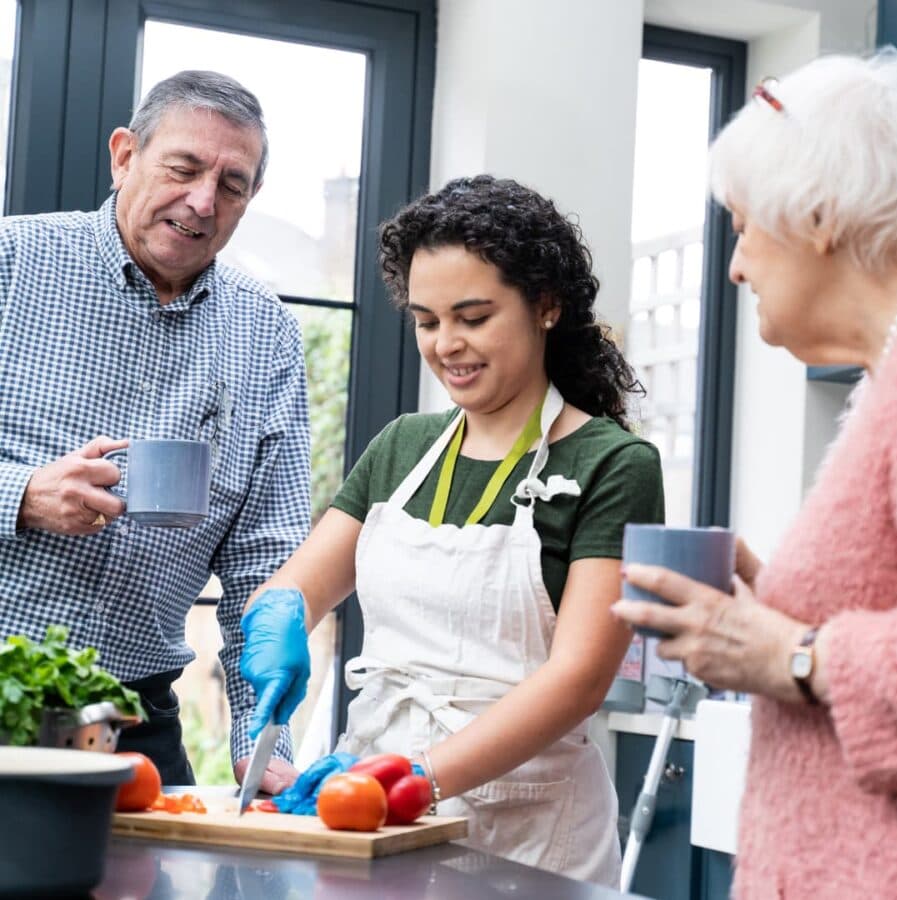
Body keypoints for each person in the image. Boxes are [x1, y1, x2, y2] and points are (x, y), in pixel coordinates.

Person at [610, 49, 897, 898]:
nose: (736, 265)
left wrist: (788, 654)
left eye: (744, 224)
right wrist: (765, 621)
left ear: (820, 215)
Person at [239, 175, 665, 883]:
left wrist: (416, 778)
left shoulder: (613, 464)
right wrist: (279, 618)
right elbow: (297, 586)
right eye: (427, 320)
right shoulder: (403, 447)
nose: (447, 345)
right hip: (370, 807)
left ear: (547, 307)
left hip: (528, 831)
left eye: (473, 316)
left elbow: (578, 679)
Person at [0, 71, 311, 789]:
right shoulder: (12, 263)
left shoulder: (267, 334)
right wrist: (19, 494)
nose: (203, 200)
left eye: (232, 185)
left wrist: (264, 736)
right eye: (184, 168)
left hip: (133, 715)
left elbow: (266, 557)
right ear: (123, 156)